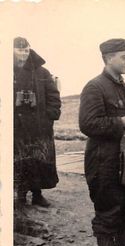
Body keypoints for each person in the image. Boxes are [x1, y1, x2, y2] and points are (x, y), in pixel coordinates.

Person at [79, 39, 125, 246]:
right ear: (108, 58)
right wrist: (119, 123)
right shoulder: (95, 86)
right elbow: (87, 124)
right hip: (103, 162)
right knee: (107, 213)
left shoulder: (123, 86)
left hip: (124, 162)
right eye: (124, 57)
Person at [13, 37, 61, 208]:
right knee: (18, 161)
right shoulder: (5, 70)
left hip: (38, 127)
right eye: (20, 50)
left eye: (26, 50)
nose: (24, 53)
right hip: (15, 128)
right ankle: (20, 196)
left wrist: (50, 116)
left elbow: (54, 96)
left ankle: (37, 195)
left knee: (38, 161)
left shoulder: (41, 72)